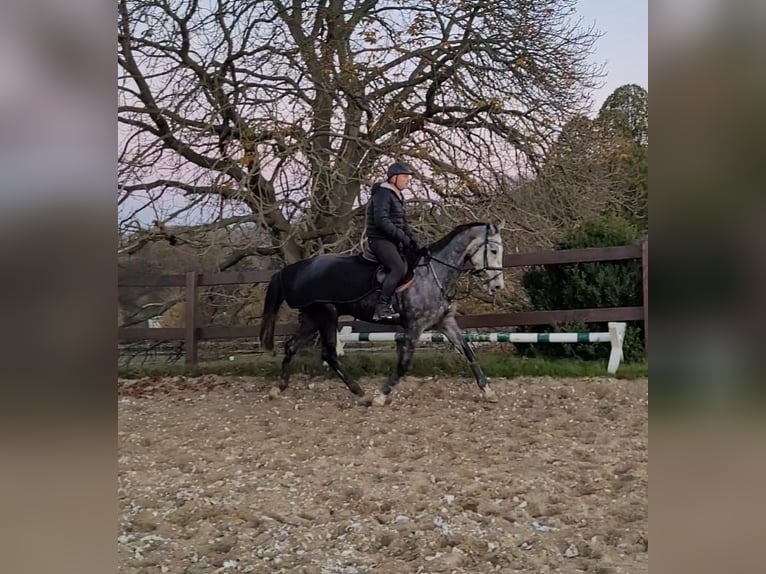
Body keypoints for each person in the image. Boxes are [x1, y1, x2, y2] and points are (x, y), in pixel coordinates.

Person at [365, 161, 421, 321]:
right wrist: (402, 237)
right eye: (404, 176)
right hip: (380, 240)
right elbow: (381, 221)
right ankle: (381, 307)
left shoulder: (396, 196)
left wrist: (413, 240)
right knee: (397, 267)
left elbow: (402, 223)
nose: (407, 180)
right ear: (393, 178)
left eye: (408, 177)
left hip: (392, 239)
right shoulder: (383, 194)